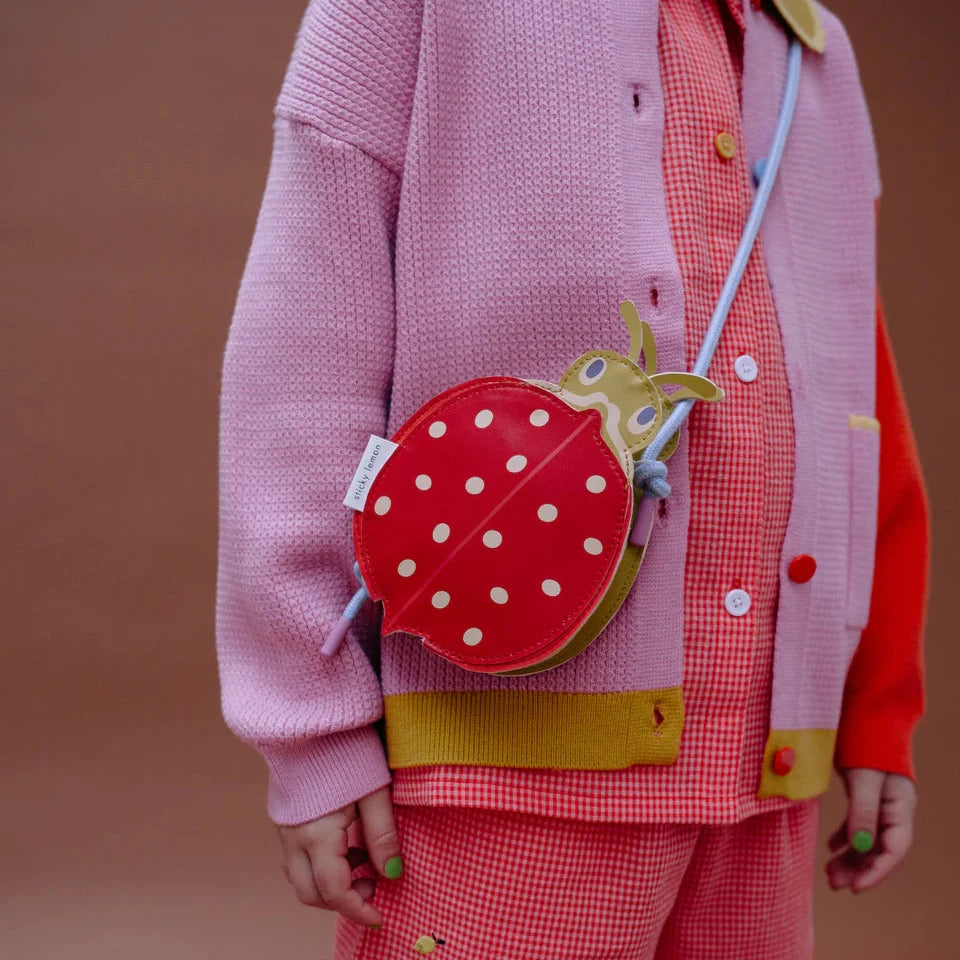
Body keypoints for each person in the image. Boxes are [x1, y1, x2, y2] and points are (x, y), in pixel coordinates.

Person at [214, 1, 930, 957]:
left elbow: (853, 399)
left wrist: (876, 706)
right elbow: (302, 364)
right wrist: (311, 723)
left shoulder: (812, 49)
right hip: (501, 765)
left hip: (762, 778)